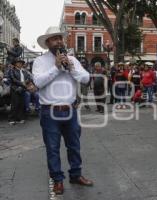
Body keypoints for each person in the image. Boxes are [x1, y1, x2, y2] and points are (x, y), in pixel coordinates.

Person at [32, 26, 93, 195]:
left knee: (74, 145)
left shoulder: (73, 59)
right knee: (52, 147)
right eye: (55, 38)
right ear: (48, 42)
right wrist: (56, 68)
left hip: (70, 110)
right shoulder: (40, 62)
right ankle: (57, 180)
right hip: (49, 111)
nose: (59, 40)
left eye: (60, 37)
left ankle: (76, 174)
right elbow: (38, 82)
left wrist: (72, 69)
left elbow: (87, 79)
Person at [8, 58, 31, 125]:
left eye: (21, 63)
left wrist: (24, 83)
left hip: (23, 89)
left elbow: (28, 78)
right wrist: (22, 83)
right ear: (15, 64)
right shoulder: (12, 70)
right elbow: (13, 79)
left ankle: (19, 118)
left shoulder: (24, 71)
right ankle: (11, 119)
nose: (20, 64)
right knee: (15, 104)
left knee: (21, 104)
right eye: (18, 62)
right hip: (15, 89)